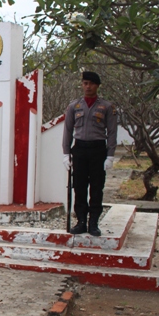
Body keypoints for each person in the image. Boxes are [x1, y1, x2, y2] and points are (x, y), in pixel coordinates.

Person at [62, 71, 118, 237]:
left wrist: (110, 155)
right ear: (82, 85)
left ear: (97, 86)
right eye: (85, 83)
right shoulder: (74, 106)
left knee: (96, 187)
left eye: (91, 84)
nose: (88, 87)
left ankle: (93, 222)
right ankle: (81, 222)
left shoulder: (107, 107)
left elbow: (112, 132)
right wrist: (66, 153)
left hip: (98, 150)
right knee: (79, 187)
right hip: (79, 149)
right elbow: (68, 131)